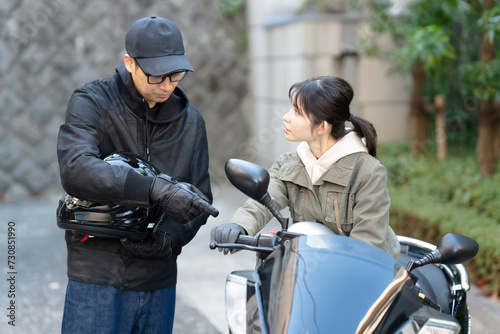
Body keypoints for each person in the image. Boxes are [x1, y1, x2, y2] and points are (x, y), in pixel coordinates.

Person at [57, 16, 218, 333]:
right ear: (129, 62)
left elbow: (200, 198)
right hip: (96, 273)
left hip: (158, 279)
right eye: (157, 76)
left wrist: (170, 239)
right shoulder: (93, 101)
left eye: (176, 75)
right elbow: (76, 169)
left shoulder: (191, 122)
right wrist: (154, 188)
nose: (167, 86)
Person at [211, 76, 400, 259]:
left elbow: (366, 245)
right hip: (307, 269)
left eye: (297, 111)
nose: (286, 117)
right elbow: (265, 199)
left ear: (321, 127)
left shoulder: (367, 172)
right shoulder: (290, 163)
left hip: (363, 275)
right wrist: (239, 225)